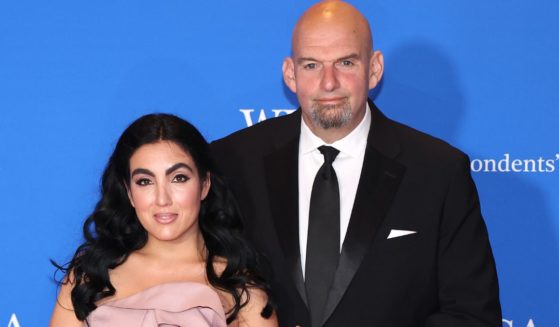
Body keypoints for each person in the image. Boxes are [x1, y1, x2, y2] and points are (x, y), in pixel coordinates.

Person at [211, 1, 501, 326]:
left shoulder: (438, 173)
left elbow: (472, 315)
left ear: (374, 69)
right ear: (290, 74)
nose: (329, 82)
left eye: (345, 62)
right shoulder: (232, 162)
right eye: (311, 65)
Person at [49, 114, 278, 326]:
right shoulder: (90, 276)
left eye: (178, 178)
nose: (162, 199)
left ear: (204, 184)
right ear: (129, 192)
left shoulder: (239, 286)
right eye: (145, 181)